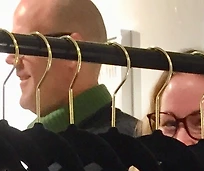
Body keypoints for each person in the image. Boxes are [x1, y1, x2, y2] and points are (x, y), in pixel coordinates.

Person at [9, 0, 139, 135]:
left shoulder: (130, 143)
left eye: (23, 45)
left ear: (72, 50)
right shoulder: (34, 141)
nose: (11, 59)